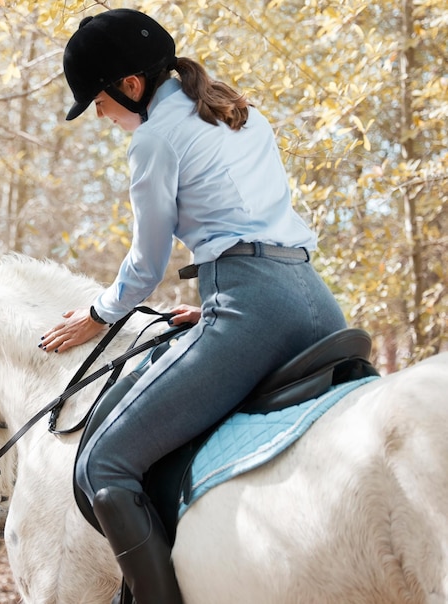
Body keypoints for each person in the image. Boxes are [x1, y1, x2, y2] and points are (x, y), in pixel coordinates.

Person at [40, 9, 347, 603]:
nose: (102, 118)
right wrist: (213, 301)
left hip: (253, 311)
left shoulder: (154, 139)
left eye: (99, 104)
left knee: (101, 465)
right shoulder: (238, 111)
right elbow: (252, 227)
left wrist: (98, 315)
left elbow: (147, 266)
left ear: (130, 86)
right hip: (314, 301)